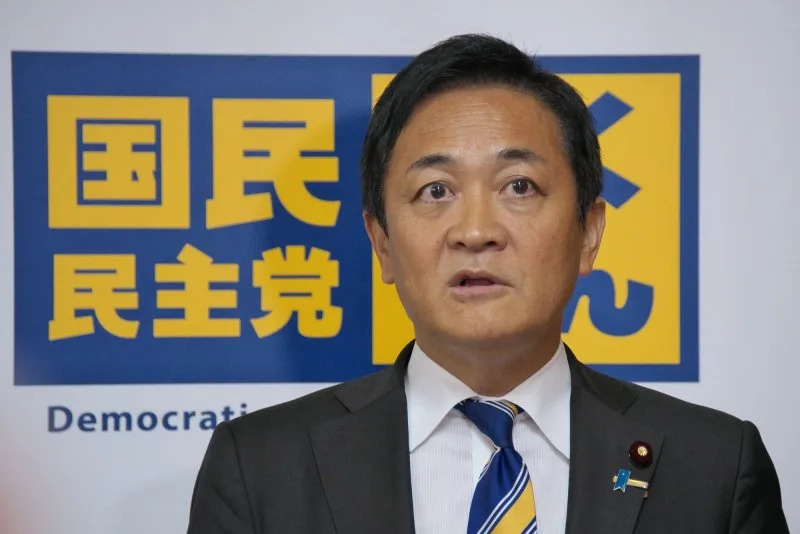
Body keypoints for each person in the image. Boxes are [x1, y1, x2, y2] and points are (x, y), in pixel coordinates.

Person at [186, 34, 788, 533]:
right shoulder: (259, 468)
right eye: (435, 191)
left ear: (588, 232)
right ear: (382, 243)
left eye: (518, 186)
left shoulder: (714, 466)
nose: (475, 231)